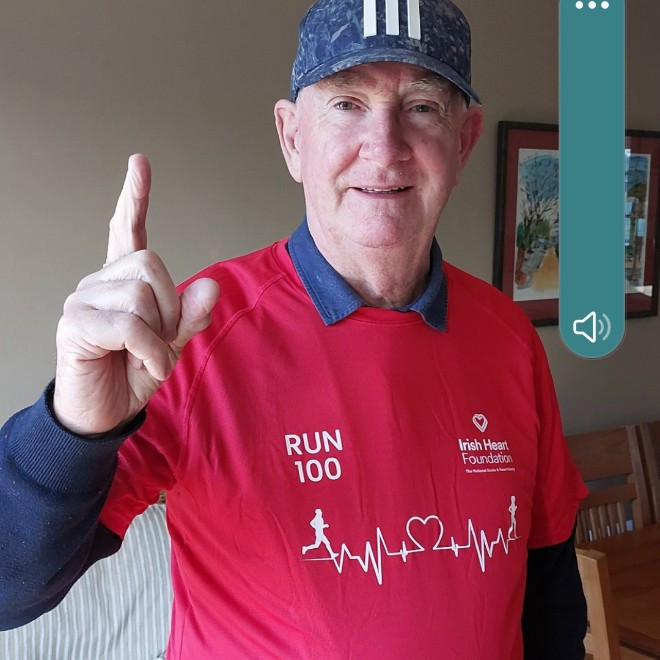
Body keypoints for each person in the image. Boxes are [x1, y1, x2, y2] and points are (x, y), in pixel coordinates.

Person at [0, 0, 588, 657]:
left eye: (422, 107)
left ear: (464, 142)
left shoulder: (509, 337)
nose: (384, 147)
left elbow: (551, 590)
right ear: (291, 138)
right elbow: (8, 588)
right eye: (347, 104)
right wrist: (74, 427)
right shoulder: (189, 336)